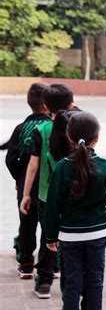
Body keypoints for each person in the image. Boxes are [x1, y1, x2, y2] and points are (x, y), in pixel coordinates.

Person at [44, 112, 106, 310]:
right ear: (97, 137)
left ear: (69, 137)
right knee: (95, 281)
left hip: (69, 236)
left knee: (72, 283)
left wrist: (51, 236)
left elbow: (52, 206)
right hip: (97, 235)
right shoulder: (104, 166)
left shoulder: (62, 167)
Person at [20, 84, 75, 299]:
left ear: (45, 106)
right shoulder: (76, 126)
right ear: (71, 104)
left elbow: (32, 166)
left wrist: (26, 195)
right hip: (71, 197)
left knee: (48, 236)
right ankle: (68, 284)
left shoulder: (41, 130)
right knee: (68, 239)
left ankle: (44, 283)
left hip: (45, 195)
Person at [5, 83, 50, 278]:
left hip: (27, 184)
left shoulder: (21, 128)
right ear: (48, 104)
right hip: (49, 185)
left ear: (28, 102)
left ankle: (25, 263)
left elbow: (10, 158)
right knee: (49, 225)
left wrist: (18, 178)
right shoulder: (54, 128)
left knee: (27, 223)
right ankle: (50, 266)